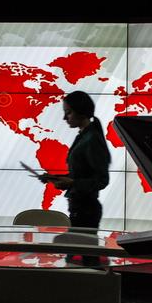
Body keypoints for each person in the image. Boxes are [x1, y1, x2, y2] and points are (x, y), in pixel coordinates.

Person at [46, 90, 111, 230]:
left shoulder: (91, 139)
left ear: (81, 112)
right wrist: (55, 178)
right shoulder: (84, 136)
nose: (65, 117)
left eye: (68, 112)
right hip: (80, 209)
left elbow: (102, 180)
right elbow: (82, 174)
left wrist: (72, 183)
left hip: (86, 211)